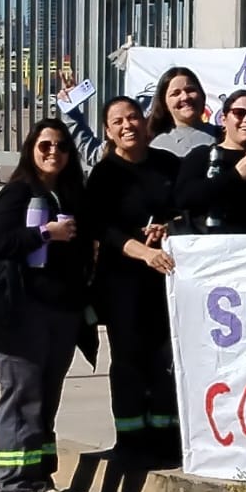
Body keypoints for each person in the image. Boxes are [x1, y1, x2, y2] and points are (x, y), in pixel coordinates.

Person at [0, 118, 88, 492]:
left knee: (45, 400)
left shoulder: (70, 194)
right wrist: (44, 234)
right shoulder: (19, 191)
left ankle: (39, 478)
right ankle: (11, 486)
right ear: (31, 150)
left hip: (61, 311)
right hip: (22, 311)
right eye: (45, 146)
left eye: (61, 146)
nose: (53, 152)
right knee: (21, 396)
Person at [85, 96, 180, 463]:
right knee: (129, 362)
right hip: (123, 284)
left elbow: (185, 208)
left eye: (133, 117)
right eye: (118, 121)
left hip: (166, 280)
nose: (128, 126)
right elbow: (102, 228)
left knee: (165, 360)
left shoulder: (168, 164)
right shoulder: (104, 174)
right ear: (108, 132)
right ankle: (130, 441)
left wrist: (169, 227)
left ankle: (166, 440)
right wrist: (143, 252)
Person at [174, 89, 246, 233]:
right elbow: (184, 199)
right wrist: (236, 175)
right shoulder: (203, 155)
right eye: (239, 113)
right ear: (224, 119)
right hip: (215, 241)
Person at [146, 66, 219, 157]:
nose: (185, 97)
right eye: (176, 94)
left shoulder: (224, 136)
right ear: (164, 103)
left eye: (190, 90)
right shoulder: (157, 147)